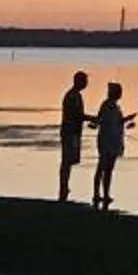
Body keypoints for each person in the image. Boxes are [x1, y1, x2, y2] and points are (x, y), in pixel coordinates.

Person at [91, 83, 129, 211]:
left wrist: (127, 120)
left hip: (112, 141)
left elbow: (118, 122)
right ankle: (97, 194)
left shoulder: (115, 107)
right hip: (106, 140)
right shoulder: (106, 105)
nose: (120, 94)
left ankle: (105, 194)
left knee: (108, 169)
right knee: (102, 167)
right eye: (119, 92)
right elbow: (101, 120)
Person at [56, 71, 90, 202]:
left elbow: (79, 115)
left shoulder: (77, 96)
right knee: (66, 161)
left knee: (69, 161)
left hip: (73, 131)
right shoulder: (71, 96)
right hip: (69, 132)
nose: (86, 84)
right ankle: (63, 186)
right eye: (85, 81)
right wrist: (92, 118)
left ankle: (64, 186)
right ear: (78, 81)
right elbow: (77, 115)